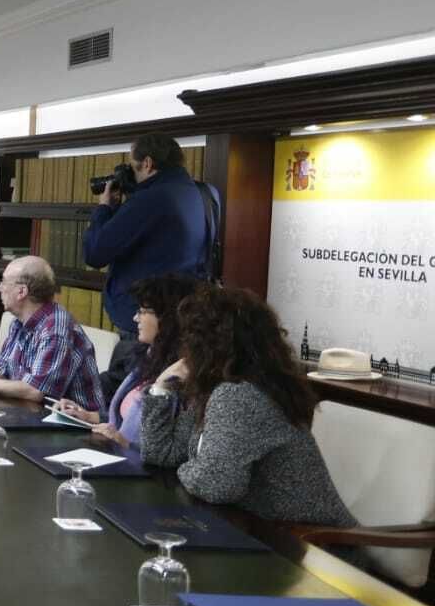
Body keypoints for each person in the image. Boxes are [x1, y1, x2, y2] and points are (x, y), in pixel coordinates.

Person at [137, 286, 355, 526]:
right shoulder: (217, 389)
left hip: (315, 548)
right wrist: (161, 387)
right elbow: (162, 454)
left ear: (211, 344)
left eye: (191, 339)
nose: (185, 349)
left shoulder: (241, 395)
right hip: (262, 534)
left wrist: (188, 468)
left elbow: (217, 486)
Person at [82, 133, 218, 337]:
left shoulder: (149, 200)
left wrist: (105, 208)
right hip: (188, 314)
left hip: (145, 321)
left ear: (147, 163)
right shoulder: (207, 193)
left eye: (133, 165)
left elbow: (94, 253)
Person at [54, 273, 197, 448]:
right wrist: (89, 416)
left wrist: (126, 444)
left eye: (143, 311)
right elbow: (124, 416)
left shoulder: (182, 373)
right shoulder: (146, 357)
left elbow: (173, 449)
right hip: (115, 453)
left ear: (167, 318)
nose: (135, 318)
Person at [0, 256, 103, 408]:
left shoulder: (55, 329)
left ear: (21, 291)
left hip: (75, 426)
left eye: (4, 282)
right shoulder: (19, 322)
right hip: (28, 411)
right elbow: (0, 370)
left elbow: (36, 391)